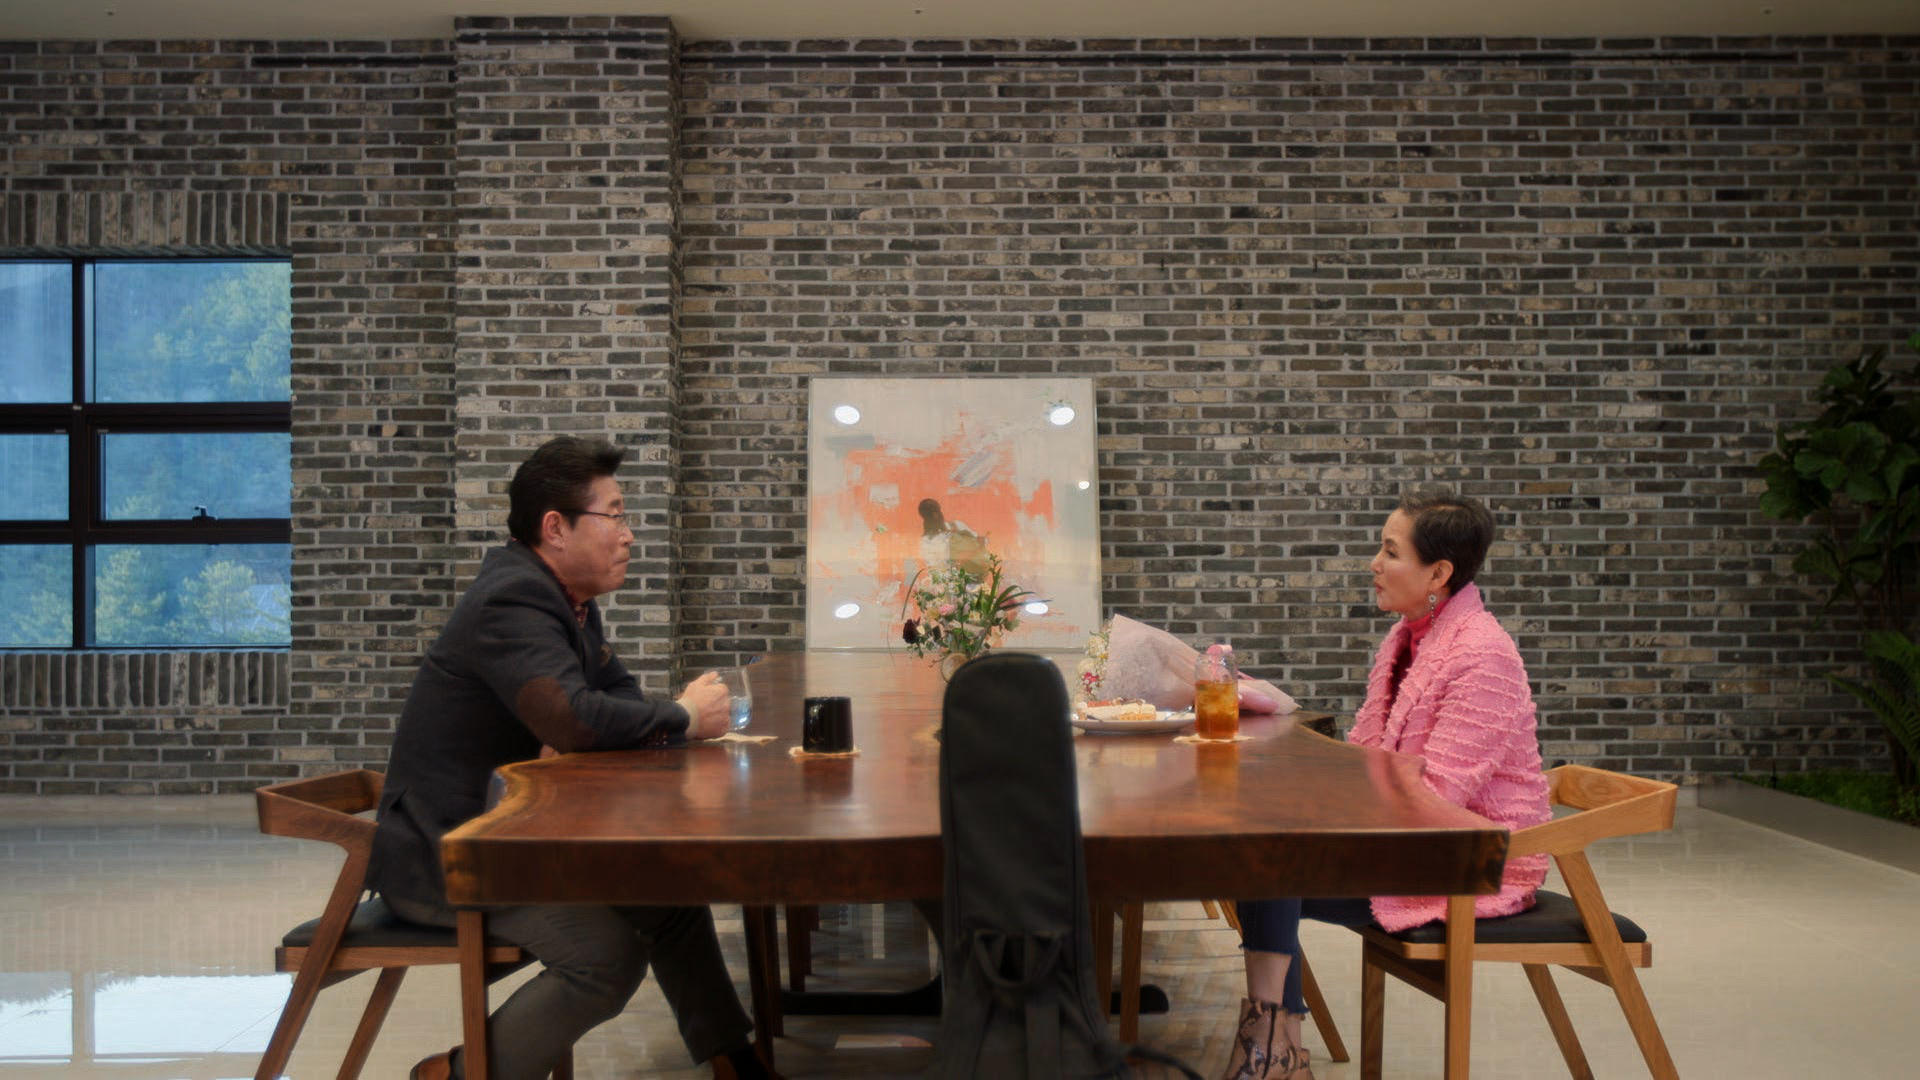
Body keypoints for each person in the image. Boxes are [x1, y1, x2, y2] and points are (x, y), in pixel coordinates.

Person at [365, 436, 776, 1080]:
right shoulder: (512, 599)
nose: (629, 535)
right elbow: (575, 719)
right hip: (450, 855)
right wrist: (683, 716)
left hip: (509, 839)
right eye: (615, 516)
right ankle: (458, 1073)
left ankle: (735, 1062)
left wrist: (669, 719)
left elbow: (616, 700)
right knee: (603, 957)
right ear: (555, 528)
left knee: (669, 891)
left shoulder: (566, 601)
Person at [1221, 492, 1551, 1080]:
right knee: (1261, 857)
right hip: (1409, 840)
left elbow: (1437, 795)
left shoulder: (1483, 655)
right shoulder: (1406, 639)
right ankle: (1277, 1046)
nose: (1374, 563)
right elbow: (1372, 759)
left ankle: (1271, 1047)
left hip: (1464, 859)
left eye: (1391, 551)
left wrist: (1326, 805)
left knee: (1269, 866)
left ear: (1439, 573)